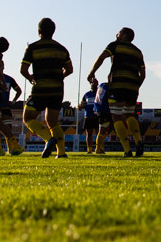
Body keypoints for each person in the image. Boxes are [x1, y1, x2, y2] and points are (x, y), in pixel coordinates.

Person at [19, 17, 74, 159]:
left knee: (28, 118)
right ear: (53, 31)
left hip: (40, 89)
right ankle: (61, 153)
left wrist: (31, 78)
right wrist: (59, 76)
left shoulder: (32, 47)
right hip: (57, 89)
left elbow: (23, 69)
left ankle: (48, 139)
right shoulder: (61, 49)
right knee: (53, 122)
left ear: (39, 31)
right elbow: (69, 69)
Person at [88, 27, 145, 157]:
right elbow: (143, 74)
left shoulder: (115, 45)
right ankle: (138, 141)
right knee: (129, 115)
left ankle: (127, 150)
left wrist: (92, 72)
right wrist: (136, 86)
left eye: (118, 33)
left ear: (123, 35)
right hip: (132, 87)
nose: (116, 35)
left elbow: (102, 57)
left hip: (118, 84)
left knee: (117, 116)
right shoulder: (137, 51)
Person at [79, 76, 101, 155]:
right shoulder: (87, 94)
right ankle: (89, 149)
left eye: (95, 82)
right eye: (92, 82)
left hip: (97, 115)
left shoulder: (99, 93)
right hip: (88, 116)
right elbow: (82, 104)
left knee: (99, 132)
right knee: (89, 133)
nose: (93, 84)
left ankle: (99, 148)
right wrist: (80, 106)